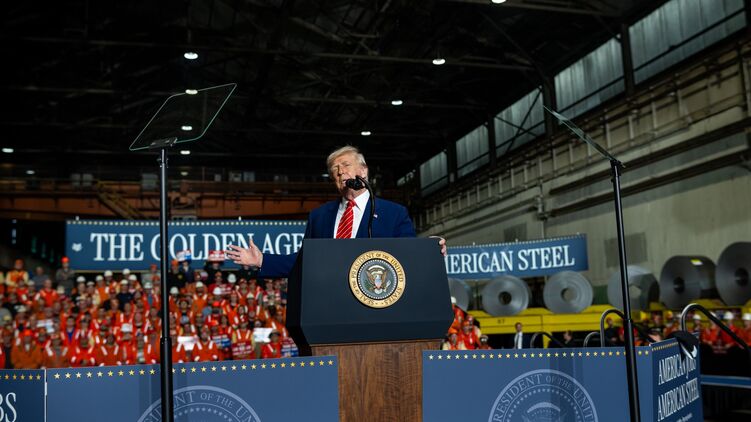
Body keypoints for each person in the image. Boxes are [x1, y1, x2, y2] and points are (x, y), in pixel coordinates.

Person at [226, 146, 446, 276]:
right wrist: (262, 260)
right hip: (330, 305)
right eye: (334, 170)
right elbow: (305, 262)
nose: (340, 172)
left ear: (363, 171)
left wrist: (427, 249)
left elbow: (408, 255)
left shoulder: (394, 213)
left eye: (346, 165)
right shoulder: (319, 217)